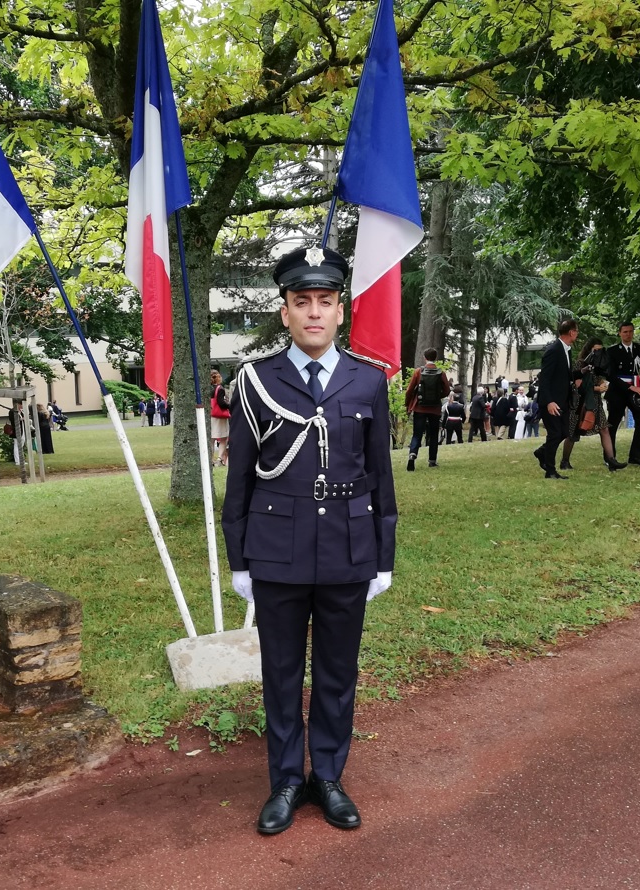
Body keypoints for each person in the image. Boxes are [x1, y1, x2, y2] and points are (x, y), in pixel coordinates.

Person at [222, 244, 396, 836]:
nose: (314, 312)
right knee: (281, 672)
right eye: (302, 302)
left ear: (340, 310)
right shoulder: (256, 381)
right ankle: (285, 782)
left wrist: (383, 556)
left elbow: (380, 475)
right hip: (277, 550)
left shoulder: (368, 381)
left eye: (325, 301)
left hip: (348, 547)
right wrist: (239, 559)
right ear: (285, 312)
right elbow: (240, 477)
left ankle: (327, 776)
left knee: (337, 672)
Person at [558, 337, 627, 472]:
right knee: (573, 433)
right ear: (589, 350)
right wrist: (596, 388)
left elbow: (600, 378)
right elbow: (578, 385)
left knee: (604, 429)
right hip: (581, 404)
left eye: (600, 350)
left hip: (596, 402)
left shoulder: (599, 364)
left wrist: (602, 384)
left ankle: (611, 460)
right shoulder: (581, 363)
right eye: (596, 350)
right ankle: (564, 460)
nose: (598, 353)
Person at [603, 322, 640, 466]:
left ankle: (635, 456)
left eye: (630, 331)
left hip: (636, 392)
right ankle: (610, 457)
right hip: (618, 392)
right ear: (619, 333)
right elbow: (610, 375)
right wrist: (630, 387)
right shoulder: (612, 351)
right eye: (625, 332)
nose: (628, 334)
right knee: (613, 424)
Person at [533, 319, 578, 479]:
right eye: (576, 331)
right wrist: (549, 402)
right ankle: (550, 470)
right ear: (571, 332)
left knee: (564, 431)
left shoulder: (567, 350)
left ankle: (542, 452)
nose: (577, 334)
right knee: (555, 433)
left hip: (562, 400)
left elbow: (564, 374)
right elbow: (545, 378)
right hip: (551, 401)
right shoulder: (554, 350)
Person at [404, 348, 450, 470]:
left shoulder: (418, 372)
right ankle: (432, 461)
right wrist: (437, 396)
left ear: (425, 358)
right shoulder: (441, 373)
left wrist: (408, 404)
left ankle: (412, 455)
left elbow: (409, 390)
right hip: (434, 408)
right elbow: (447, 390)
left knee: (417, 434)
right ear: (435, 358)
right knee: (434, 434)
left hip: (420, 408)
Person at [209, 369, 232, 466]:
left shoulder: (208, 388)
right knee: (223, 438)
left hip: (210, 415)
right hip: (220, 416)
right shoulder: (220, 389)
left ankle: (210, 459)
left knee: (211, 439)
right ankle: (219, 459)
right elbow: (221, 403)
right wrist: (230, 405)